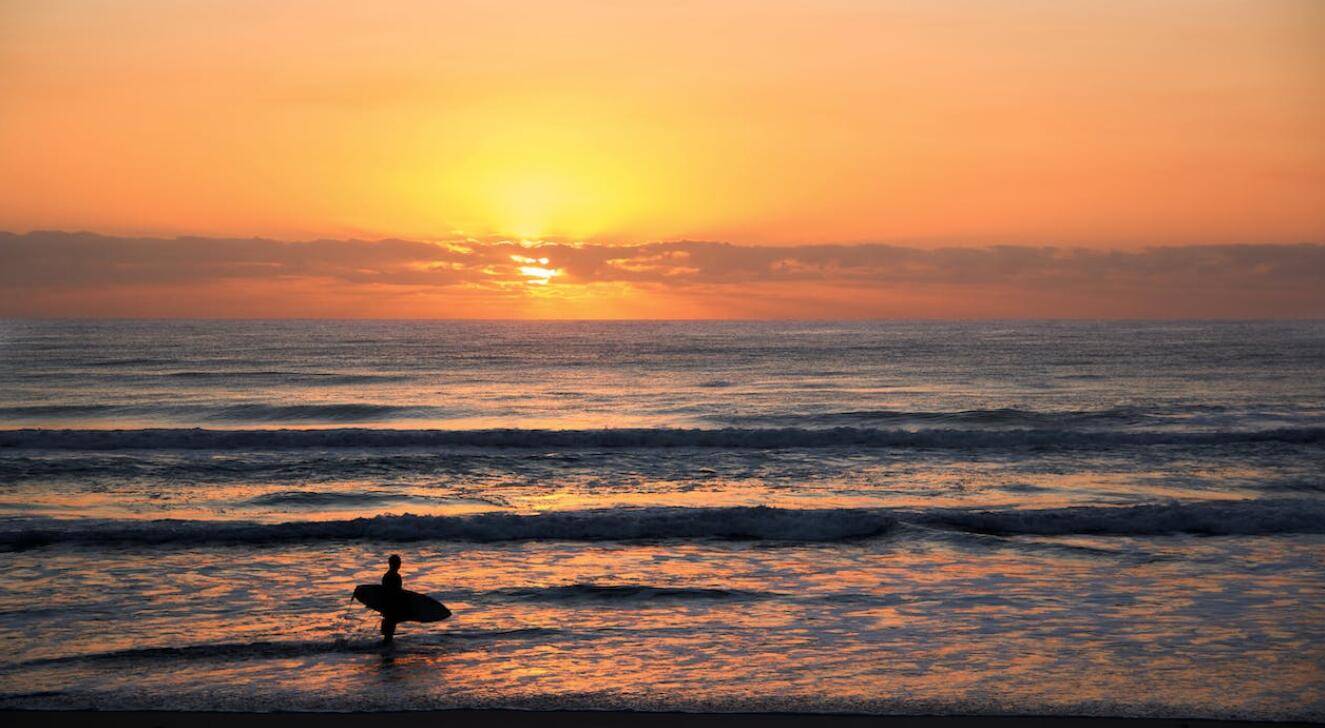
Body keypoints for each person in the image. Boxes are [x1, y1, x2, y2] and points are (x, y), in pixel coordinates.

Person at [381, 554, 404, 644]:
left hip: (386, 607)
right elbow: (398, 592)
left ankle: (386, 652)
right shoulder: (396, 576)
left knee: (388, 634)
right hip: (392, 607)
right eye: (399, 563)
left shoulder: (386, 576)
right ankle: (387, 652)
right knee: (389, 633)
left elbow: (384, 592)